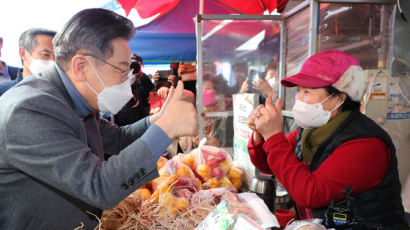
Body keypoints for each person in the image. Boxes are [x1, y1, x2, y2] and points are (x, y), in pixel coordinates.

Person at [0, 8, 198, 230]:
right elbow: (100, 186)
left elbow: (119, 139)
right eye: (121, 71)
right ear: (82, 67)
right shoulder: (31, 109)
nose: (127, 82)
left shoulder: (73, 98)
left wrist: (159, 118)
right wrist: (167, 127)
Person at [247, 50, 408, 229]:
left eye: (307, 92)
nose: (298, 99)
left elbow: (310, 193)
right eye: (299, 91)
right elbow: (269, 164)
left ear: (339, 97)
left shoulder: (366, 143)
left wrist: (273, 135)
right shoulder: (311, 131)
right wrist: (260, 135)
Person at [0, 28, 56, 96]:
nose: (53, 61)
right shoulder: (4, 92)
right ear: (23, 53)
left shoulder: (63, 91)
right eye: (46, 55)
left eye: (57, 56)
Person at [113, 56, 154, 126]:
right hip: (122, 120)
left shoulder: (142, 78)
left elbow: (150, 91)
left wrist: (141, 76)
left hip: (139, 119)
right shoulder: (116, 79)